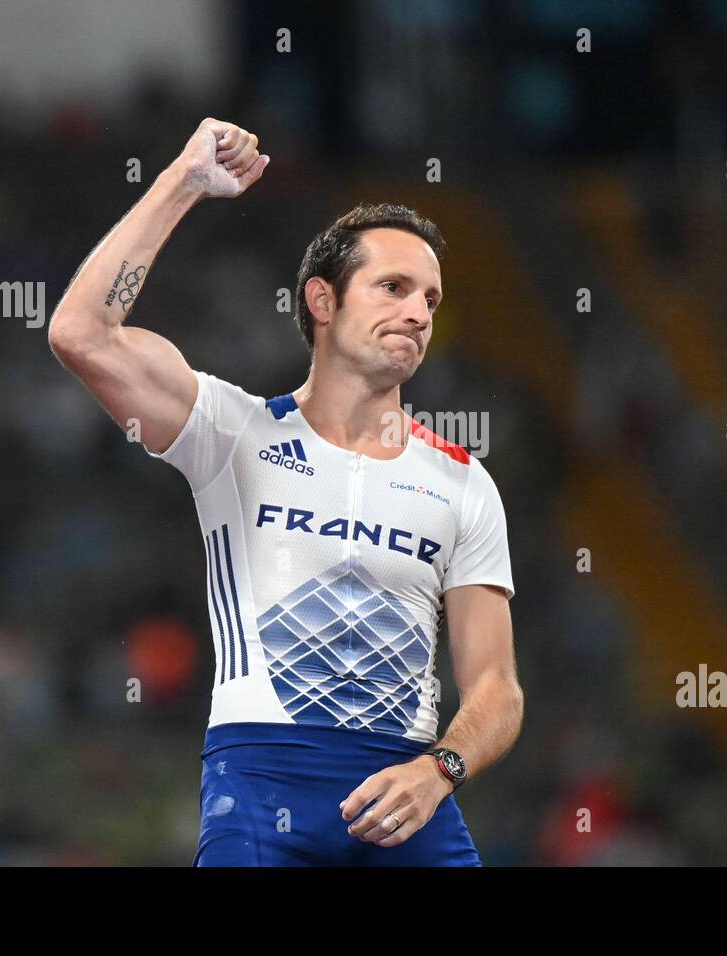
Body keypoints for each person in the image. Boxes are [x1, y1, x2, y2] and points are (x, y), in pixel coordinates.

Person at [48, 119, 523, 865]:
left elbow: (497, 687)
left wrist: (441, 770)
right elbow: (82, 333)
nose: (418, 313)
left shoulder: (463, 482)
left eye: (430, 299)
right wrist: (184, 181)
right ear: (323, 302)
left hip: (408, 793)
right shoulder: (233, 433)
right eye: (393, 287)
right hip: (263, 784)